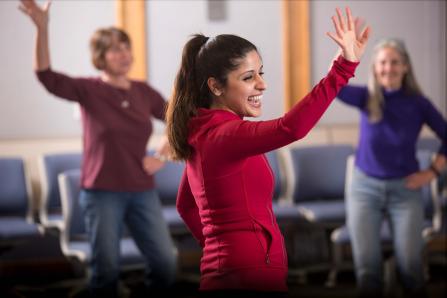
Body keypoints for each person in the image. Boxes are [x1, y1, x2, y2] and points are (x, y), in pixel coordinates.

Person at [165, 7, 370, 297]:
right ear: (215, 86)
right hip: (249, 272)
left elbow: (186, 205)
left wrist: (221, 250)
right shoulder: (224, 135)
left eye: (260, 73)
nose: (262, 84)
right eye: (248, 77)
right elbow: (291, 128)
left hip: (234, 268)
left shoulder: (204, 133)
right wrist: (342, 69)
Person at [19, 0, 177, 296]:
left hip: (142, 190)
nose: (124, 54)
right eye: (115, 49)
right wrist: (42, 27)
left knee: (166, 264)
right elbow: (47, 77)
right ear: (100, 56)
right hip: (102, 193)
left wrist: (161, 155)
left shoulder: (144, 92)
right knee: (105, 272)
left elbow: (178, 119)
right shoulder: (89, 90)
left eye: (126, 47)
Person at [336, 38, 447, 297]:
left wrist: (432, 172)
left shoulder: (419, 103)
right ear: (375, 67)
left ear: (405, 66)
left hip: (405, 190)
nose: (389, 68)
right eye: (383, 62)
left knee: (410, 266)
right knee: (367, 270)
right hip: (364, 188)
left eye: (395, 62)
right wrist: (346, 55)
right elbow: (335, 87)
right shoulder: (366, 97)